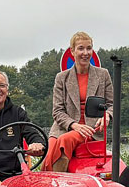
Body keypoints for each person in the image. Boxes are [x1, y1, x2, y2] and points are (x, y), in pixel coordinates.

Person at [44, 31, 114, 172]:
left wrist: (107, 115)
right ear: (72, 51)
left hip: (92, 128)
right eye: (81, 48)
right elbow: (57, 111)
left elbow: (112, 105)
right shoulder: (61, 78)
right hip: (62, 128)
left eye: (89, 48)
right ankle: (48, 184)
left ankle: (56, 182)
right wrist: (74, 125)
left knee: (65, 141)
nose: (85, 52)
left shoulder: (103, 74)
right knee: (50, 150)